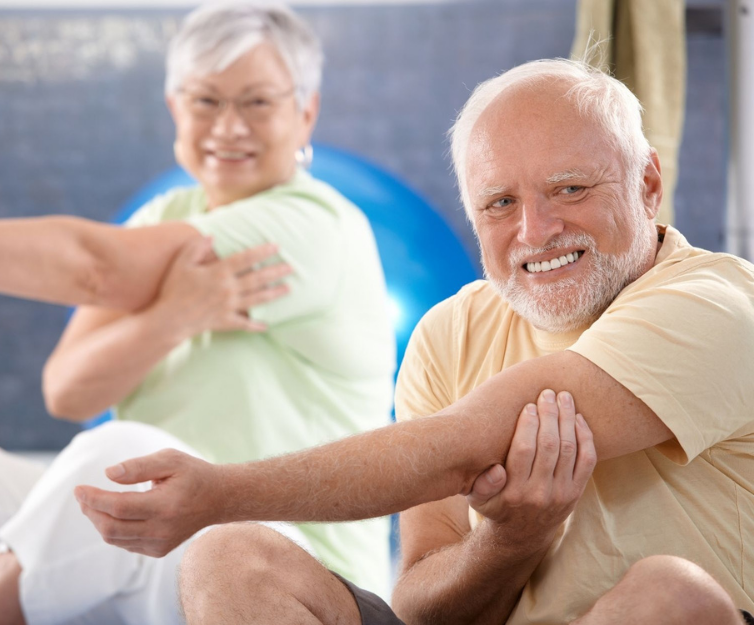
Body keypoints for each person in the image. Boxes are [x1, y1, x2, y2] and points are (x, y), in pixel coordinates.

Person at [0, 3, 395, 624]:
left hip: (266, 559)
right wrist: (171, 318)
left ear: (305, 110)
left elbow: (95, 265)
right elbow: (66, 389)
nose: (228, 126)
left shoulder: (314, 224)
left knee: (122, 458)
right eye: (206, 100)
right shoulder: (164, 218)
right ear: (175, 108)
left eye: (257, 102)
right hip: (142, 543)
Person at [74, 58, 754, 625]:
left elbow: (465, 442)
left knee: (672, 593)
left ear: (648, 184)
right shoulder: (450, 331)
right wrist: (512, 538)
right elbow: (425, 604)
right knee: (228, 558)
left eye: (570, 188)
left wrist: (218, 491)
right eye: (500, 204)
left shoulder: (716, 304)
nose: (536, 229)